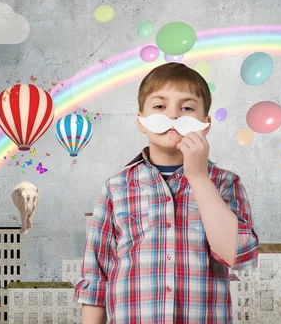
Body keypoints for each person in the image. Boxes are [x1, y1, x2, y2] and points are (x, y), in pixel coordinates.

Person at [75, 62, 259, 323]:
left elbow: (238, 255)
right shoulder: (116, 187)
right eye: (160, 106)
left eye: (186, 108)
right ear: (141, 120)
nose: (173, 115)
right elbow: (96, 276)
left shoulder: (225, 183)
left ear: (205, 125)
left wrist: (197, 176)